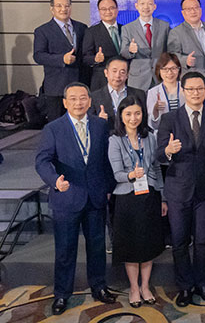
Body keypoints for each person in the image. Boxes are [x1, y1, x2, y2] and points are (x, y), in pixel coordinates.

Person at [35, 82, 116, 315]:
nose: (78, 103)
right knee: (65, 250)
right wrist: (54, 181)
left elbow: (105, 160)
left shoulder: (101, 125)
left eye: (82, 98)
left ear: (90, 101)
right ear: (64, 102)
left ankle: (99, 287)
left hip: (95, 197)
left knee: (97, 246)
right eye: (73, 99)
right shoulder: (53, 128)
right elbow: (42, 161)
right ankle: (62, 294)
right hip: (66, 197)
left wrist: (109, 187)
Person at [156, 72, 205, 307]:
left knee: (203, 240)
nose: (196, 93)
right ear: (183, 91)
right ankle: (184, 286)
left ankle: (202, 283)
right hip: (178, 189)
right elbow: (158, 154)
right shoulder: (169, 119)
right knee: (179, 240)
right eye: (191, 89)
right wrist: (168, 151)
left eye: (200, 89)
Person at [108, 96, 166, 308]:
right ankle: (134, 288)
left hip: (149, 196)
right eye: (128, 114)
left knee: (148, 245)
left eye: (137, 113)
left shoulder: (149, 136)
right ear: (121, 116)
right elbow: (116, 174)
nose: (133, 118)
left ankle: (145, 286)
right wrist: (131, 175)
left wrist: (162, 195)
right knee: (131, 247)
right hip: (127, 198)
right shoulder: (115, 140)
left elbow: (156, 167)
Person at [33, 0, 88, 123]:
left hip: (79, 83)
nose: (63, 9)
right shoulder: (43, 30)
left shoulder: (81, 27)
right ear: (52, 9)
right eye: (59, 6)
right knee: (57, 124)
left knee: (80, 123)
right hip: (56, 86)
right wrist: (61, 59)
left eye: (67, 6)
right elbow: (38, 56)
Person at [120, 0, 170, 90]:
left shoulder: (165, 26)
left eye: (150, 4)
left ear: (154, 6)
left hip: (160, 76)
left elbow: (169, 51)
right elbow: (123, 53)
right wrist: (130, 50)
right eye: (142, 3)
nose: (146, 7)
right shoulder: (127, 28)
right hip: (138, 79)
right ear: (136, 6)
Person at [168, 0, 205, 80]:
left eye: (196, 8)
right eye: (189, 9)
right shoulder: (176, 32)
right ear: (183, 13)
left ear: (200, 10)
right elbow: (172, 55)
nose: (193, 11)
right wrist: (185, 60)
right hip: (191, 79)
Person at [88, 56, 147, 124]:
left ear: (127, 75)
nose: (117, 76)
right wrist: (99, 121)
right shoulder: (94, 97)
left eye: (122, 72)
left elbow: (144, 121)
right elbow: (89, 122)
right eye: (114, 71)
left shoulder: (139, 94)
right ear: (106, 73)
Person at [83, 0, 122, 90]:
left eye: (111, 8)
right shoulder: (91, 31)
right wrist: (95, 59)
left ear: (117, 9)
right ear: (99, 11)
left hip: (124, 79)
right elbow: (85, 58)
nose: (108, 11)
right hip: (102, 81)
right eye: (104, 9)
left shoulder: (126, 29)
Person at [147, 53, 185, 131]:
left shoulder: (186, 88)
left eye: (173, 68)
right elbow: (153, 125)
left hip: (184, 131)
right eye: (165, 69)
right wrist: (155, 110)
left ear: (179, 69)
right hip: (164, 133)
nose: (169, 72)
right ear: (159, 71)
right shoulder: (153, 92)